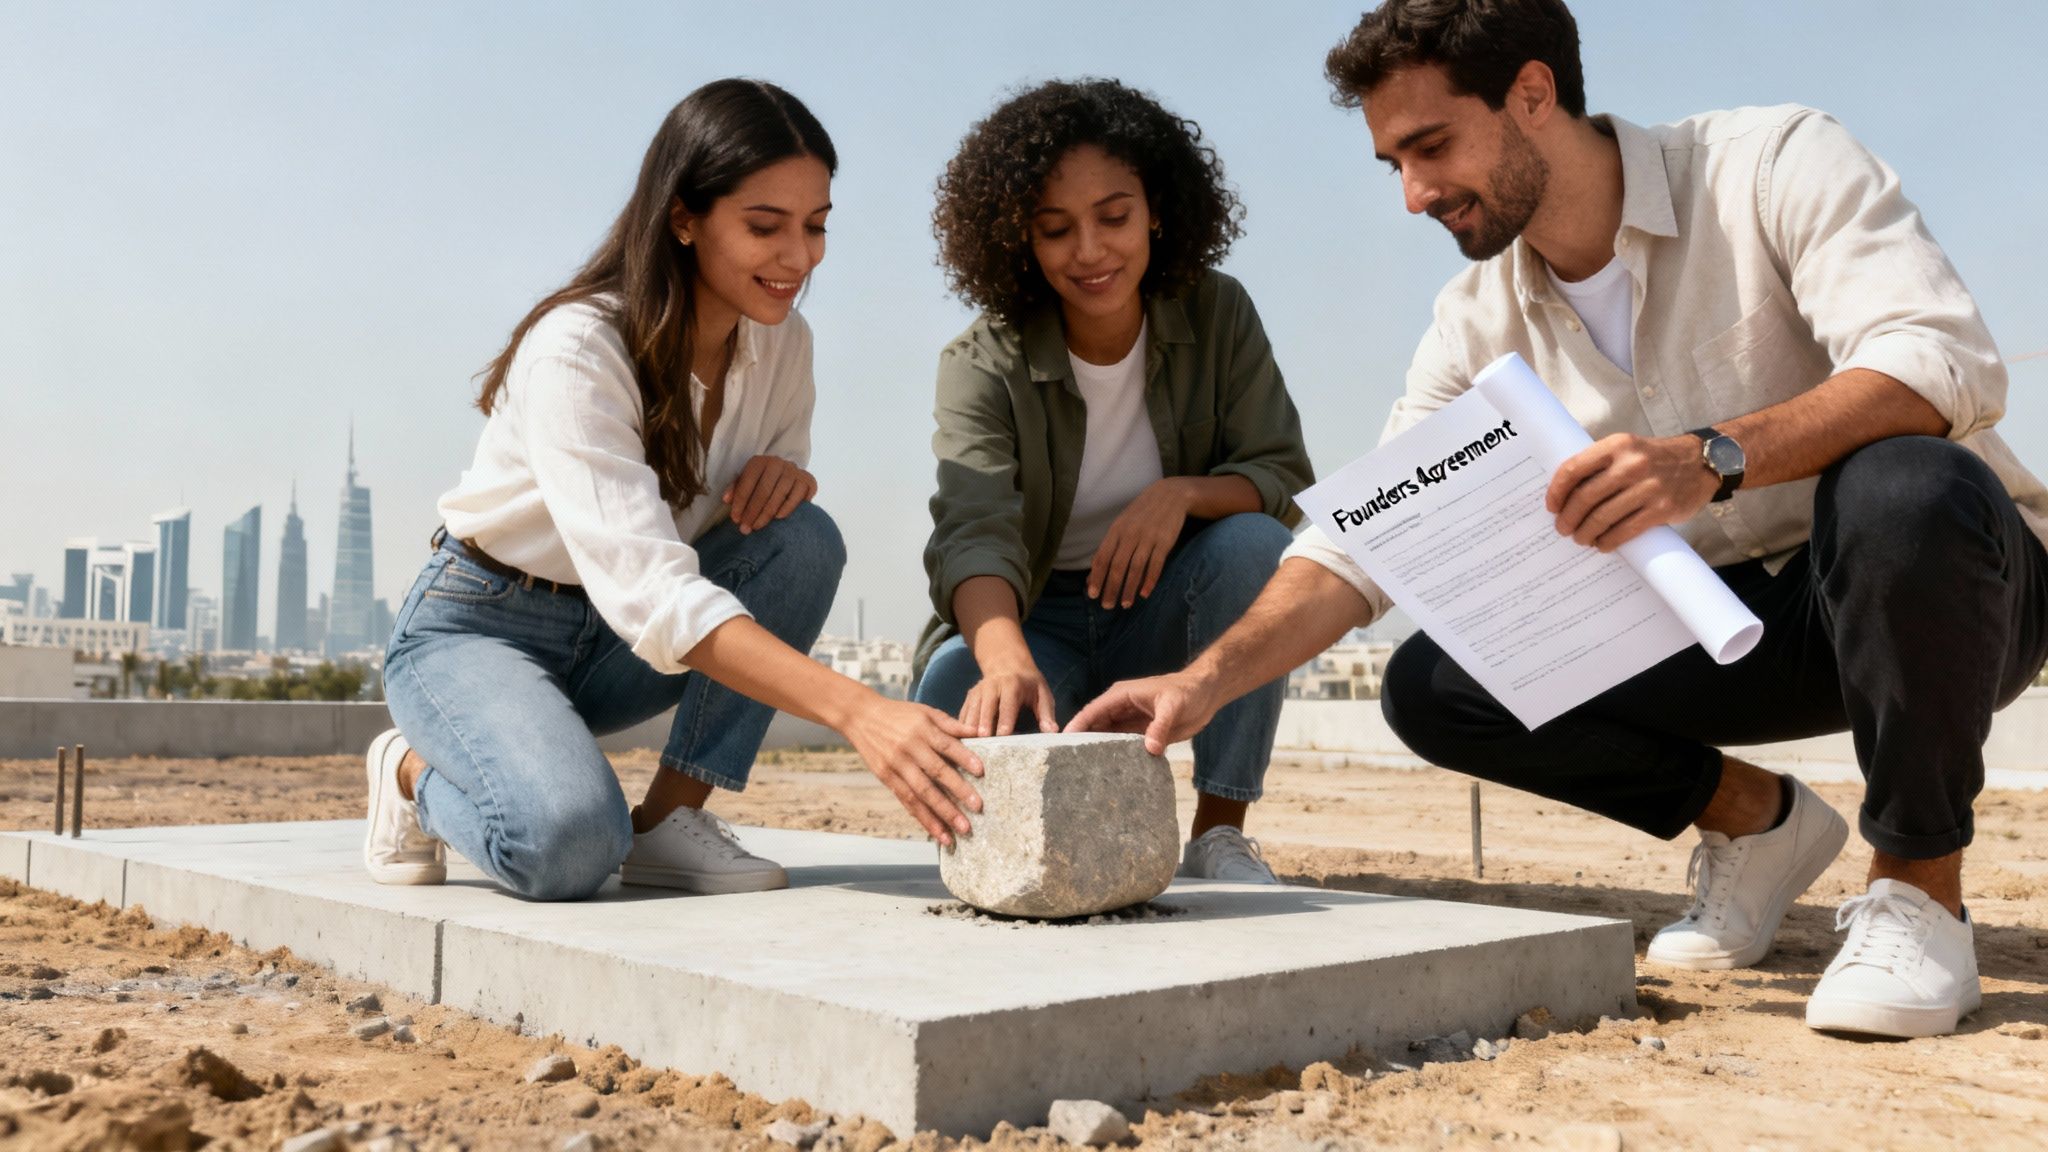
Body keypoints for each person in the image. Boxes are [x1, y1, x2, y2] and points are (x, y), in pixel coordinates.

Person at [1071, 0, 2048, 1038]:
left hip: (1944, 599)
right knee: (1434, 683)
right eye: (1390, 164)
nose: (1411, 195)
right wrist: (1201, 681)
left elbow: (1936, 361)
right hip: (1729, 632)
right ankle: (1753, 825)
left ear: (1530, 95)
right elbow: (1361, 545)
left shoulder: (1769, 164)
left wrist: (1712, 457)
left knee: (1899, 483)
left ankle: (1916, 893)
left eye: (1430, 147)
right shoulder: (1471, 326)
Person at [365, 78, 984, 902]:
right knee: (567, 848)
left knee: (803, 538)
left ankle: (668, 823)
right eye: (765, 226)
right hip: (483, 629)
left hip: (617, 645)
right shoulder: (579, 349)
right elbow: (656, 592)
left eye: (816, 226)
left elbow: (742, 527)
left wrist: (786, 476)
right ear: (684, 218)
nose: (798, 258)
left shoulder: (784, 344)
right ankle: (407, 771)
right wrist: (863, 712)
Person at [912, 79, 1315, 882]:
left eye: (1114, 217)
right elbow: (973, 530)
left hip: (1165, 606)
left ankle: (1219, 833)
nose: (1090, 251)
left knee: (1256, 549)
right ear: (1017, 239)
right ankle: (1006, 847)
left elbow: (1280, 475)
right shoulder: (979, 362)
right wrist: (1003, 658)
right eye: (1055, 229)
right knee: (957, 677)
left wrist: (1183, 494)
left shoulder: (1219, 311)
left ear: (1158, 210)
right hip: (1039, 621)